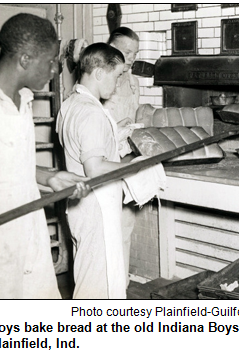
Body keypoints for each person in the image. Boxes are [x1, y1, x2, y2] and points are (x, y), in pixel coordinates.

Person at [0, 13, 90, 299]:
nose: (55, 70)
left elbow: (5, 161)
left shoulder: (24, 99)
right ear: (24, 59)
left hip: (30, 221)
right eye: (50, 61)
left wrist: (50, 177)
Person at [56, 43, 129, 299]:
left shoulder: (70, 104)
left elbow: (82, 147)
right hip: (97, 205)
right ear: (99, 73)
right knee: (101, 287)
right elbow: (95, 167)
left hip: (81, 206)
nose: (118, 84)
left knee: (88, 277)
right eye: (117, 75)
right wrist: (134, 167)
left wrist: (115, 136)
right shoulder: (90, 112)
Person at [102, 27, 141, 286]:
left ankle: (121, 289)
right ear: (111, 48)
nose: (131, 58)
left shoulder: (134, 82)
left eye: (135, 53)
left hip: (127, 162)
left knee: (126, 227)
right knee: (106, 232)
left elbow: (135, 118)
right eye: (126, 51)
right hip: (104, 164)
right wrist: (118, 128)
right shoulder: (102, 81)